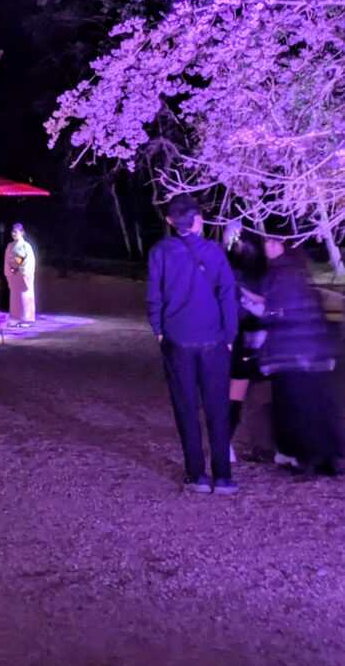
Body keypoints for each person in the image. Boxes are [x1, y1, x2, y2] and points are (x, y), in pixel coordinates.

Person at [146, 194, 239, 494]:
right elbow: (228, 295)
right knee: (218, 408)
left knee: (186, 407)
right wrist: (230, 335)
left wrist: (159, 329)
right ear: (198, 220)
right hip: (213, 338)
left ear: (170, 221)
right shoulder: (214, 252)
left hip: (177, 337)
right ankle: (222, 476)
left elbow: (154, 295)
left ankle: (196, 474)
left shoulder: (160, 252)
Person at [259, 238, 342, 476]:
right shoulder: (293, 270)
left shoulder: (281, 273)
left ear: (284, 246)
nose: (268, 247)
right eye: (267, 243)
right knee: (314, 404)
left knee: (296, 407)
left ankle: (306, 457)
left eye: (273, 243)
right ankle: (323, 457)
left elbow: (282, 312)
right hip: (306, 351)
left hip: (292, 352)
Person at [225, 228, 267, 461]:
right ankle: (228, 442)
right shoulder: (252, 272)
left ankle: (232, 442)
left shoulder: (238, 273)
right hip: (249, 338)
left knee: (243, 395)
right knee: (239, 394)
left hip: (250, 337)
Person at [4, 223, 37, 326]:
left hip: (22, 275)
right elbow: (7, 261)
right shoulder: (10, 246)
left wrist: (18, 269)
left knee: (24, 297)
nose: (13, 234)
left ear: (22, 233)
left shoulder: (26, 246)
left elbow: (28, 262)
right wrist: (11, 270)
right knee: (15, 298)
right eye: (12, 232)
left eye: (16, 232)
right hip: (14, 276)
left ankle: (27, 319)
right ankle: (15, 318)